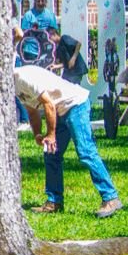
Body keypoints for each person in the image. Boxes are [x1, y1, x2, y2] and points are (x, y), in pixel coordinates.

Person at [15, 63, 121, 217]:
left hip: (75, 104)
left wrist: (51, 134)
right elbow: (32, 112)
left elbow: (48, 104)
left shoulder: (22, 77)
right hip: (60, 110)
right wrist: (38, 133)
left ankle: (110, 197)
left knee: (85, 151)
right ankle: (54, 201)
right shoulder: (13, 87)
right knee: (51, 154)